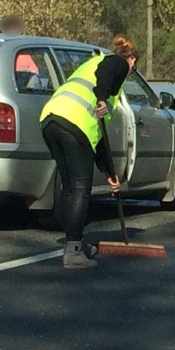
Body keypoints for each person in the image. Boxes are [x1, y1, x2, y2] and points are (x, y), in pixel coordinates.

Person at [40, 35, 138, 269]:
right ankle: (73, 252)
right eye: (134, 66)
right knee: (81, 188)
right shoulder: (117, 62)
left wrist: (108, 171)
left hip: (51, 119)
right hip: (74, 124)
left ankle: (74, 242)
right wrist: (103, 97)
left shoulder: (89, 65)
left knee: (70, 186)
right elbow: (105, 74)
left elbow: (98, 135)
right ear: (132, 59)